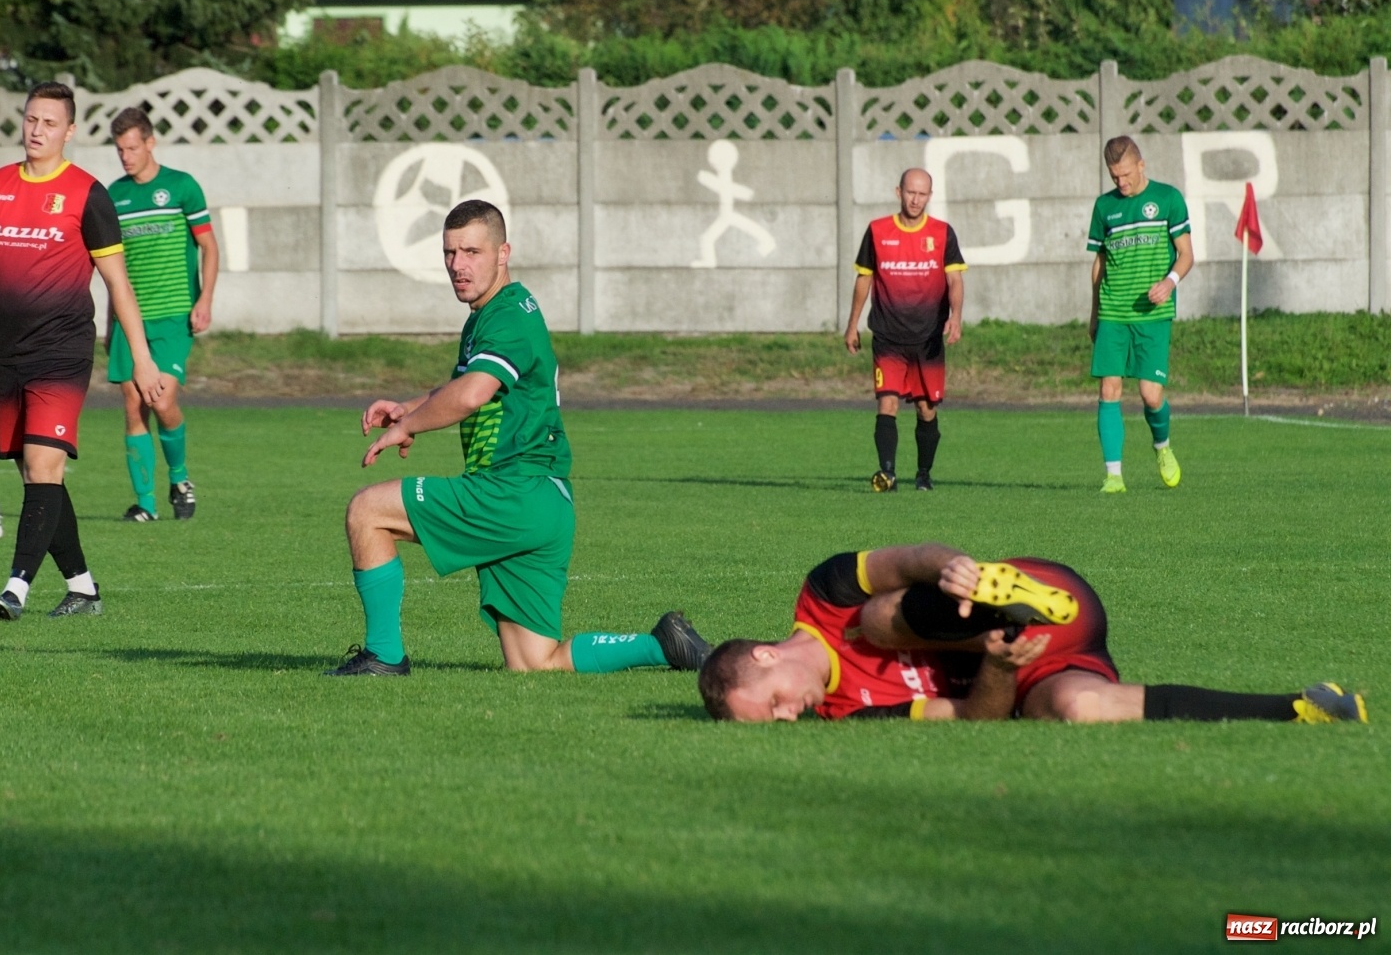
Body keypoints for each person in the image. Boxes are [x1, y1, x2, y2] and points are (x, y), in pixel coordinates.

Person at [333, 199, 711, 676]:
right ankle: (663, 646)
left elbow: (473, 394)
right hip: (545, 501)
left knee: (367, 512)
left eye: (472, 252)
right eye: (450, 252)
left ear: (503, 252)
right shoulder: (497, 313)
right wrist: (408, 408)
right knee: (535, 662)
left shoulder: (506, 316)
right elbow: (468, 386)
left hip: (511, 491)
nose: (457, 265)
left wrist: (409, 427)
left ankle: (383, 656)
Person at [698, 543, 1369, 726]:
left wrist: (952, 567)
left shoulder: (823, 594)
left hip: (1038, 589)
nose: (790, 716)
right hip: (1042, 659)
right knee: (1078, 710)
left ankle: (1000, 600)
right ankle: (1301, 707)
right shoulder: (847, 713)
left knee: (874, 620)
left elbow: (911, 557)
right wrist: (999, 666)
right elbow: (974, 718)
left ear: (766, 655)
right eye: (778, 721)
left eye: (774, 702)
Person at [0, 82, 165, 621]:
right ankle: (83, 588)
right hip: (7, 353)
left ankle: (15, 588)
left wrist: (142, 358)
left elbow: (119, 284)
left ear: (69, 131)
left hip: (63, 350)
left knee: (44, 463)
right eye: (31, 119)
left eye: (49, 122)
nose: (37, 130)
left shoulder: (88, 194)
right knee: (36, 475)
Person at [105, 106, 220, 522]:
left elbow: (209, 247)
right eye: (120, 150)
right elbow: (112, 267)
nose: (126, 157)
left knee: (163, 399)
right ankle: (146, 504)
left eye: (132, 148)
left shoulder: (181, 187)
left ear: (150, 143)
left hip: (173, 314)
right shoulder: (113, 196)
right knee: (133, 404)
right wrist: (110, 322)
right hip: (130, 318)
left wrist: (204, 299)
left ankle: (180, 478)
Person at [843, 168, 965, 492]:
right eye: (911, 192)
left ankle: (923, 473)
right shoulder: (877, 231)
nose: (916, 199)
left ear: (929, 196)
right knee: (887, 403)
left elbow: (954, 280)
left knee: (926, 410)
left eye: (922, 194)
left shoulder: (942, 233)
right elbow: (864, 279)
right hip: (888, 337)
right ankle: (888, 474)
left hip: (927, 339)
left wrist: (956, 316)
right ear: (898, 192)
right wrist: (852, 324)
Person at [1088, 135, 1194, 494]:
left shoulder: (1168, 199)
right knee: (1109, 388)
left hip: (1152, 315)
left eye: (1126, 174)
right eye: (1114, 176)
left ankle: (1162, 446)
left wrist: (1169, 282)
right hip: (1113, 312)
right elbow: (1099, 263)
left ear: (1141, 164)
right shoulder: (1104, 207)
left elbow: (1186, 255)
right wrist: (1094, 313)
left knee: (1150, 395)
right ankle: (1113, 476)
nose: (1121, 182)